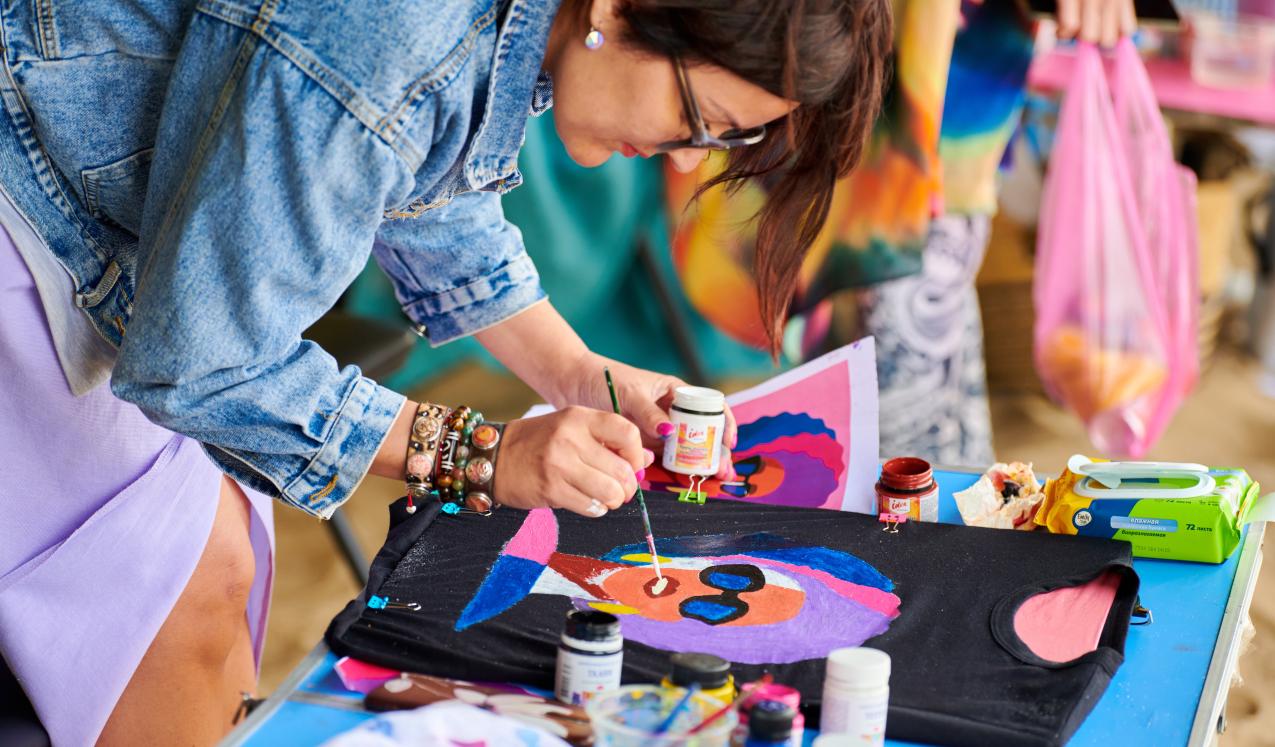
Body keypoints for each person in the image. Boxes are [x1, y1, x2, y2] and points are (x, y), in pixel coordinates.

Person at [0, 0, 891, 744]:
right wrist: (479, 453)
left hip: (111, 254)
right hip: (25, 212)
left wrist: (579, 373)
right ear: (619, 8)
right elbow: (202, 364)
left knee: (212, 562)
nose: (689, 156)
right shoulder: (388, 28)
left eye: (721, 142)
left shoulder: (494, 33)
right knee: (178, 597)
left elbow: (421, 180)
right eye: (698, 121)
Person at [665, 0, 1134, 466]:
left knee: (907, 368)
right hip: (844, 82)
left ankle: (929, 516)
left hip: (940, 103)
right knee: (873, 378)